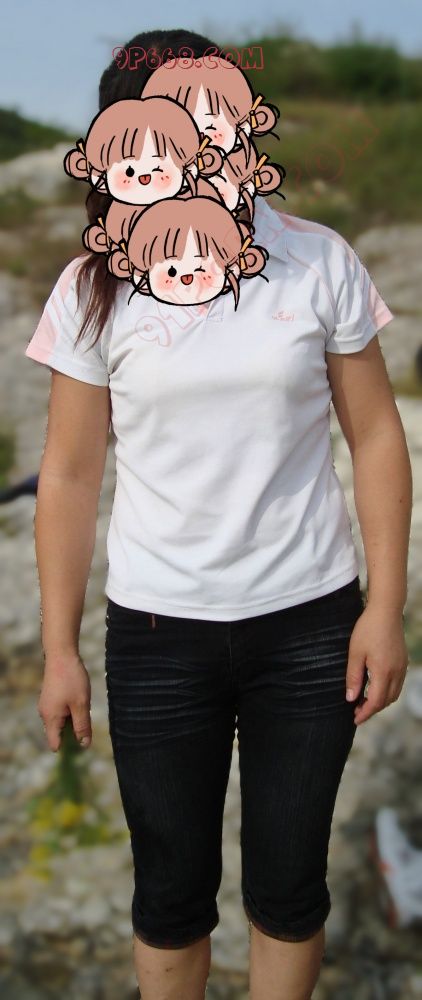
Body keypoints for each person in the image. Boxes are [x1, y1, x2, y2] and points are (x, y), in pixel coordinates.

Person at [24, 27, 412, 1000]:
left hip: (309, 628)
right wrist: (59, 647)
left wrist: (384, 607)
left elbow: (374, 436)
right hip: (159, 635)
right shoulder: (92, 288)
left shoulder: (314, 260)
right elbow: (68, 475)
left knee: (289, 887)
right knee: (169, 896)